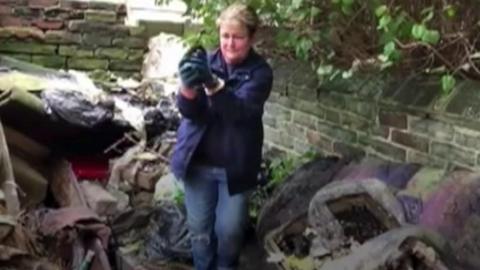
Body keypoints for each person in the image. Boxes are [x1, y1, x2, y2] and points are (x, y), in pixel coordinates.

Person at [170, 3, 273, 270]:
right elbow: (190, 112)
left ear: (251, 38)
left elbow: (240, 112)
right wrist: (186, 86)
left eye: (237, 37)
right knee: (199, 232)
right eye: (225, 36)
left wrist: (212, 84)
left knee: (229, 233)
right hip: (199, 164)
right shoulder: (206, 61)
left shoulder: (260, 73)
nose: (230, 43)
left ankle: (225, 266)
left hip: (235, 170)